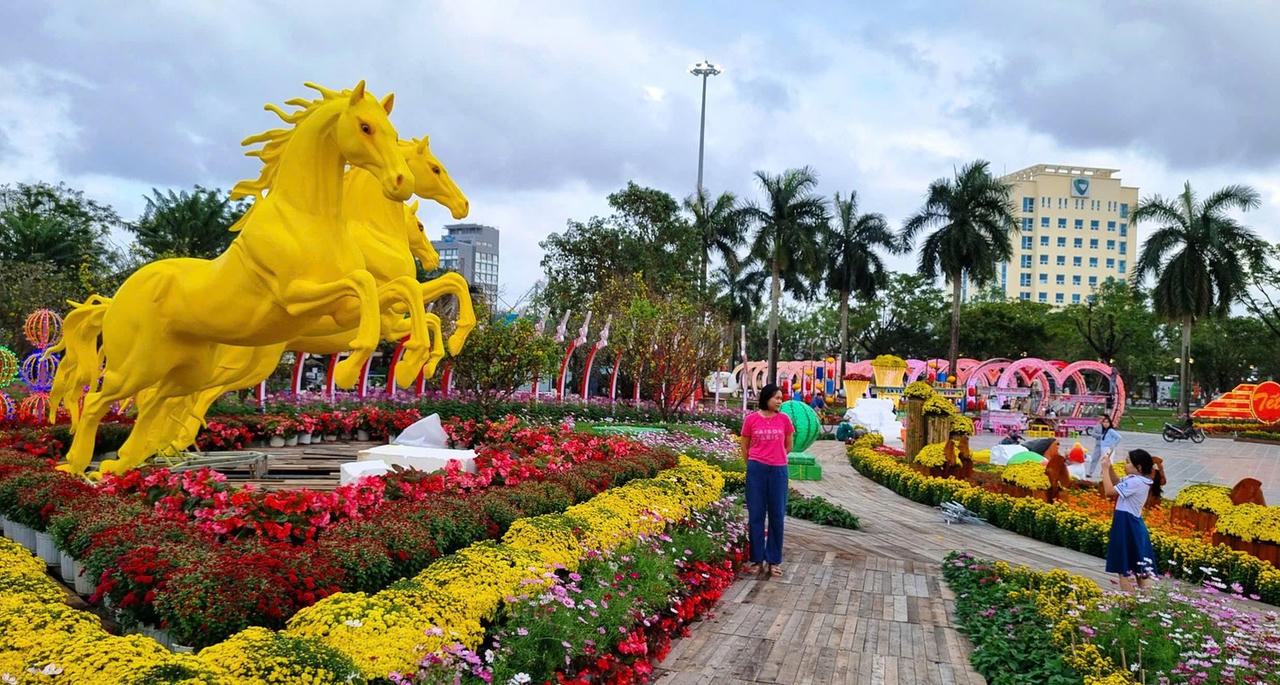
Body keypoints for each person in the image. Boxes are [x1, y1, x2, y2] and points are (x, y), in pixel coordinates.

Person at [739, 383, 794, 578]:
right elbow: (744, 446)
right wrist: (754, 462)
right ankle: (756, 559)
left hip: (779, 470)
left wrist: (775, 457)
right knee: (756, 515)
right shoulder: (751, 419)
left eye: (781, 398)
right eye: (776, 398)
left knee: (777, 515)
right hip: (756, 470)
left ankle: (773, 560)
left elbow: (788, 445)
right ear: (766, 398)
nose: (780, 401)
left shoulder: (784, 420)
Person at [1100, 449, 1161, 591]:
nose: (1125, 465)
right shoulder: (1136, 480)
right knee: (1139, 569)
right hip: (1131, 524)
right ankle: (1144, 604)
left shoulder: (1136, 482)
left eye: (1128, 462)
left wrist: (1104, 469)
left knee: (1124, 569)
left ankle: (1130, 606)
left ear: (1138, 467)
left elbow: (1109, 491)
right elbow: (1116, 482)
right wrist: (1109, 467)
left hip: (1127, 526)